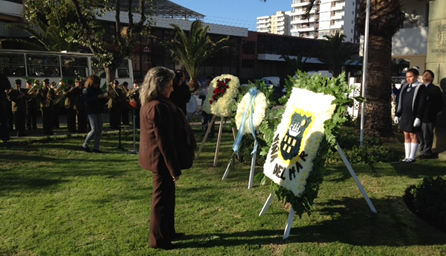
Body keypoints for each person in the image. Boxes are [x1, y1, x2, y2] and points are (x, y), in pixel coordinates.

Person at [139, 66, 186, 250]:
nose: (172, 89)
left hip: (158, 158)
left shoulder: (152, 103)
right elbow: (164, 142)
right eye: (170, 85)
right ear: (161, 86)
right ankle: (158, 239)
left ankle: (168, 230)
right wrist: (173, 168)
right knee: (160, 201)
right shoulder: (157, 107)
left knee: (168, 197)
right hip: (160, 160)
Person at [395, 68, 426, 163]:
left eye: (410, 76)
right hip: (405, 115)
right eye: (407, 77)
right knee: (406, 134)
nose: (408, 78)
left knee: (413, 134)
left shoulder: (420, 87)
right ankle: (406, 156)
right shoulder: (404, 87)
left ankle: (412, 156)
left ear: (416, 76)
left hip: (414, 115)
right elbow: (399, 100)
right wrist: (397, 114)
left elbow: (421, 103)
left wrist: (418, 117)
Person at [419, 70, 444, 158]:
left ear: (432, 78)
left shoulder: (435, 89)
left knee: (427, 135)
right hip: (419, 116)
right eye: (424, 74)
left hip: (429, 116)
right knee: (421, 135)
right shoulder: (420, 87)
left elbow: (439, 103)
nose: (425, 75)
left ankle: (426, 152)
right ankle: (421, 150)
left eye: (427, 74)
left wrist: (435, 113)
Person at [82, 75, 107, 153]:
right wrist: (97, 97)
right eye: (96, 83)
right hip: (91, 111)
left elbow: (101, 101)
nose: (97, 85)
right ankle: (85, 144)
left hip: (99, 110)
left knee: (99, 130)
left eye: (98, 83)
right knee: (94, 129)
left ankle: (96, 148)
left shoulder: (99, 89)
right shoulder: (86, 90)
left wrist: (105, 98)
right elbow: (86, 101)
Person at [0, 73, 11, 143]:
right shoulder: (3, 76)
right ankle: (4, 137)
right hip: (1, 99)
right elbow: (8, 86)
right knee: (3, 119)